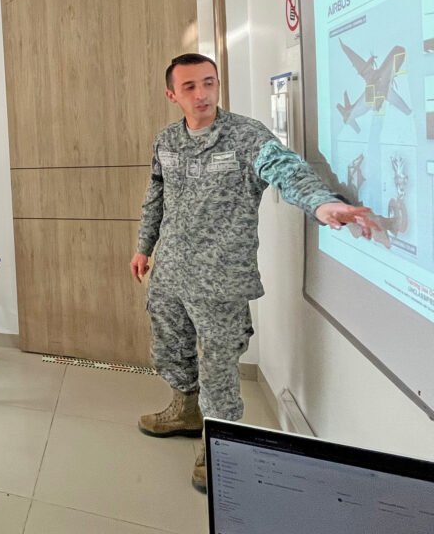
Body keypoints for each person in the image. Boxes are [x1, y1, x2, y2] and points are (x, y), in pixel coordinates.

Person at [130, 54, 377, 492]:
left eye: (209, 83)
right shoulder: (166, 140)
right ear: (172, 95)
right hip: (170, 271)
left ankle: (219, 446)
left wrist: (321, 204)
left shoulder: (245, 136)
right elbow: (156, 195)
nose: (202, 93)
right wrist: (143, 246)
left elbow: (285, 169)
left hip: (221, 279)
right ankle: (185, 410)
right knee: (171, 349)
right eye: (190, 87)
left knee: (220, 368)